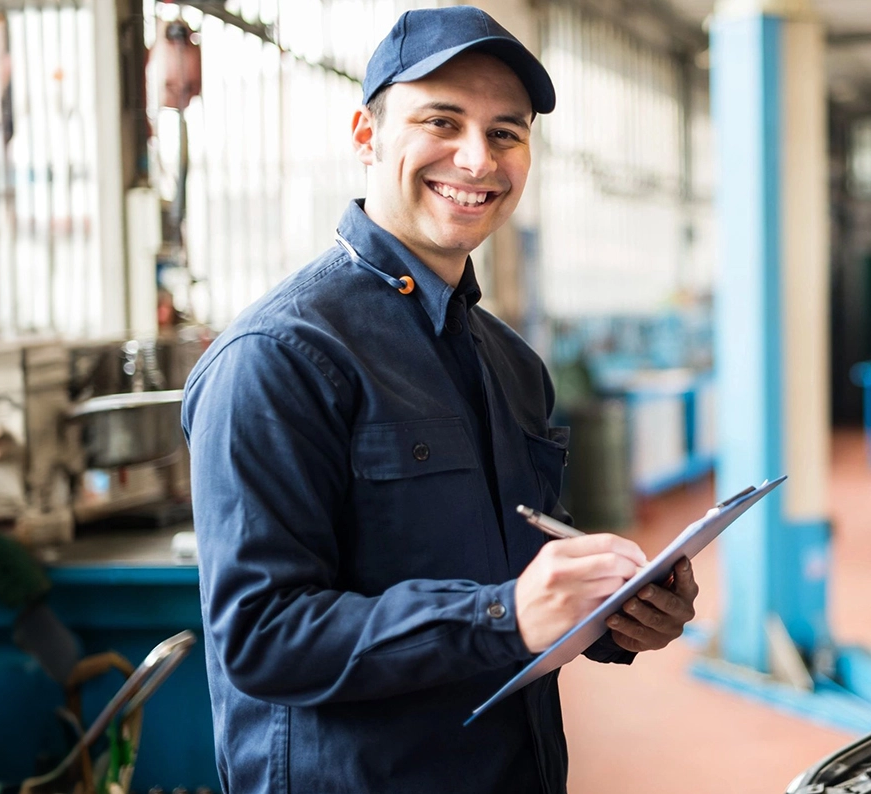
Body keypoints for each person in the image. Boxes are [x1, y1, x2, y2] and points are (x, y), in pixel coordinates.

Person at [180, 8, 699, 791]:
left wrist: (612, 617)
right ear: (366, 135)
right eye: (441, 121)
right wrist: (503, 615)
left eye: (505, 133)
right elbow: (261, 636)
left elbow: (513, 574)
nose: (475, 159)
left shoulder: (512, 365)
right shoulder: (280, 358)